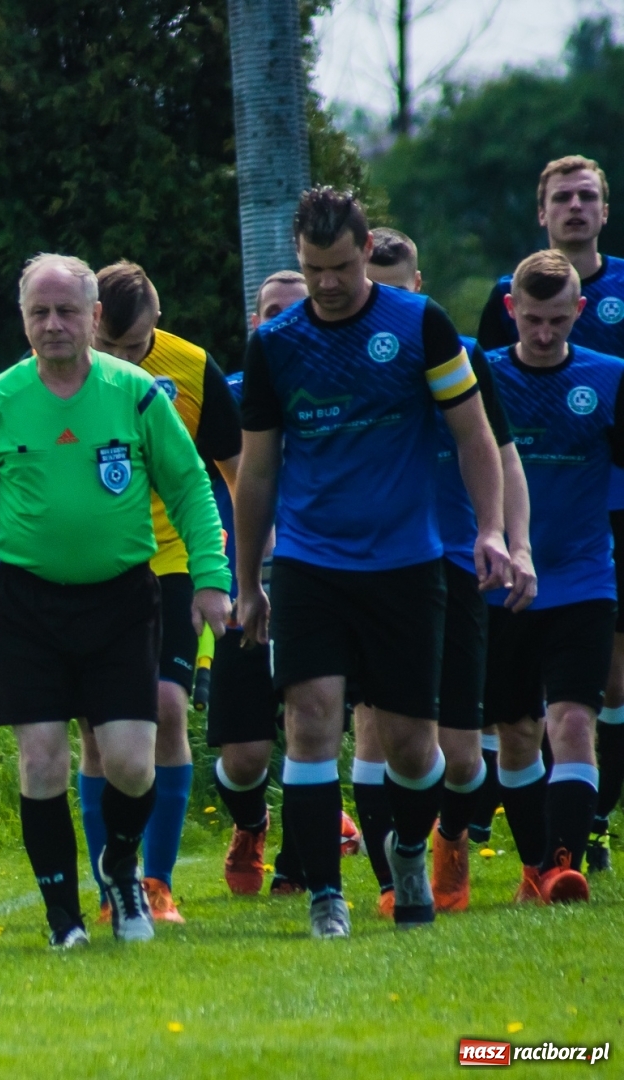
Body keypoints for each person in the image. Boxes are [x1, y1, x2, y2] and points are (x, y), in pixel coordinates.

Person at [0, 254, 229, 946]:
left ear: (94, 317)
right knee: (41, 762)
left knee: (129, 762)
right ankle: (64, 918)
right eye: (40, 312)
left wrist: (211, 577)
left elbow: (189, 488)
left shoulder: (138, 395)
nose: (54, 324)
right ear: (24, 319)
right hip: (26, 605)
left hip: (122, 600)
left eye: (68, 311)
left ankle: (120, 867)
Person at [234, 187, 512, 937]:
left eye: (343, 267)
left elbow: (474, 437)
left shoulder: (420, 324)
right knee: (311, 719)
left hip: (406, 563)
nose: (328, 283)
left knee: (413, 748)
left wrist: (491, 531)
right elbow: (257, 471)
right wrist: (247, 580)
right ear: (299, 258)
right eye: (314, 268)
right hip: (310, 562)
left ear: (366, 254)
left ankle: (412, 846)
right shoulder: (275, 344)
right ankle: (327, 893)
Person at [349, 228, 533, 918]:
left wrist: (517, 545)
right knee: (376, 729)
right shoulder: (340, 356)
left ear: (419, 288)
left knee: (459, 755)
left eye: (398, 288)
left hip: (453, 563)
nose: (385, 301)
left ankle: (450, 835)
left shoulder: (458, 355)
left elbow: (504, 454)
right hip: (374, 566)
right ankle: (395, 879)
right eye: (376, 286)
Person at [77, 261, 242, 923]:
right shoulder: (56, 371)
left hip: (168, 558)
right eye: (109, 348)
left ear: (158, 321)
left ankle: (157, 882)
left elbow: (235, 473)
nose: (122, 361)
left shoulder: (194, 370)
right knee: (95, 732)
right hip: (92, 567)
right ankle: (107, 888)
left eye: (135, 347)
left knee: (168, 710)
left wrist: (238, 567)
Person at [478, 156, 624, 874]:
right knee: (514, 731)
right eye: (531, 320)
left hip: (585, 576)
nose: (543, 333)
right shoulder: (483, 376)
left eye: (556, 320)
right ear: (511, 310)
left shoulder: (609, 378)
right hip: (508, 578)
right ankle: (536, 864)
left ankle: (565, 863)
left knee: (572, 721)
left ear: (579, 312)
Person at [208, 270, 307, 897]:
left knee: (309, 722)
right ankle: (251, 822)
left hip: (318, 579)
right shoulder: (230, 392)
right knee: (244, 758)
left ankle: (301, 863)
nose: (280, 322)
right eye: (270, 311)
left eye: (292, 312)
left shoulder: (343, 384)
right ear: (254, 321)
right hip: (244, 583)